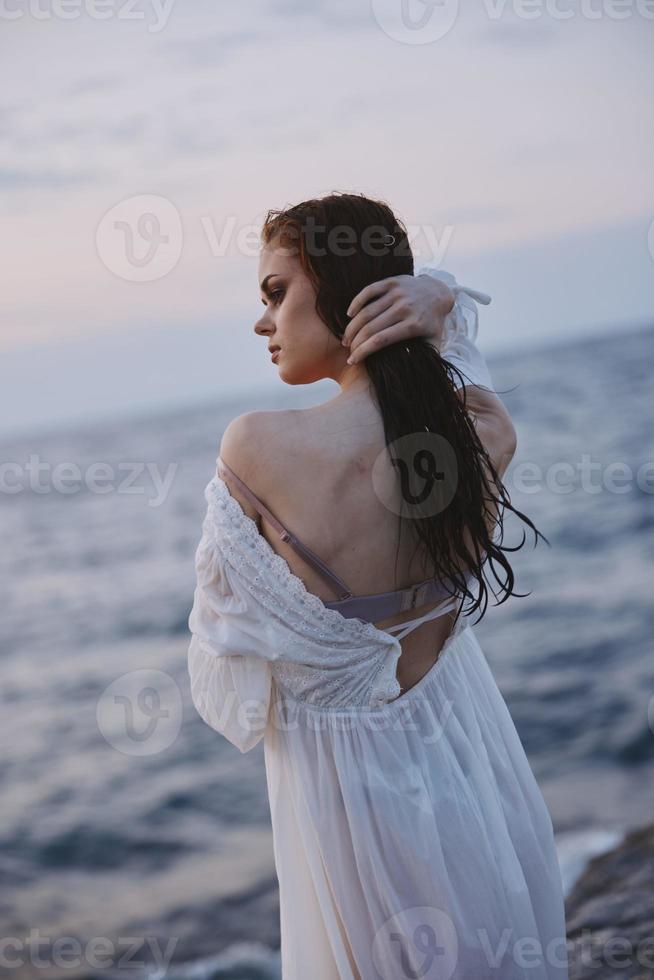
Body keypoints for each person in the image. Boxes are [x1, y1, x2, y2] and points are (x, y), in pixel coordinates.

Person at [187, 192, 570, 979]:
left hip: (349, 811)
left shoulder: (257, 447)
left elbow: (227, 679)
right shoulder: (481, 430)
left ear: (347, 291)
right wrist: (439, 296)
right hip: (475, 768)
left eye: (275, 292)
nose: (262, 322)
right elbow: (459, 356)